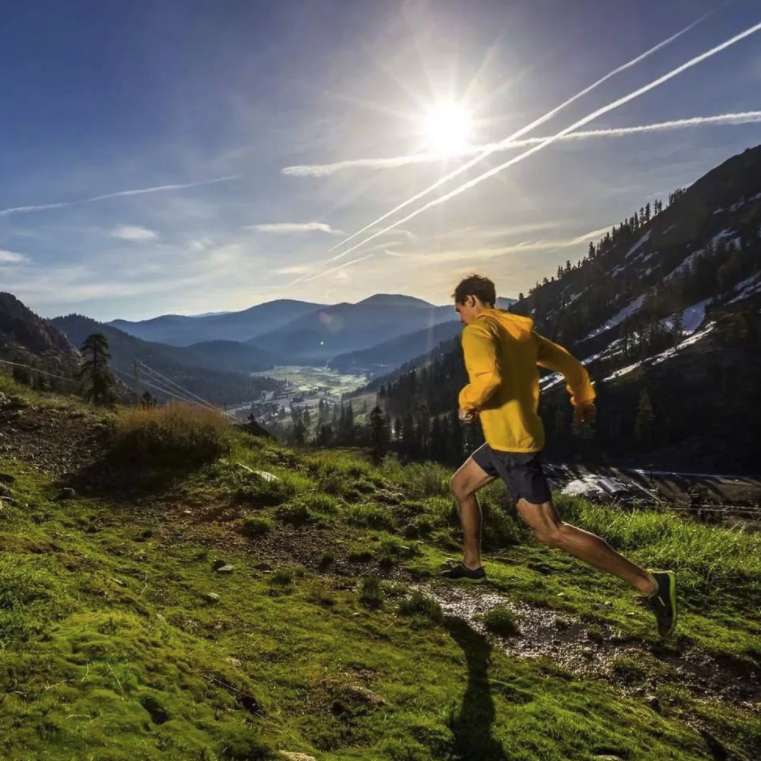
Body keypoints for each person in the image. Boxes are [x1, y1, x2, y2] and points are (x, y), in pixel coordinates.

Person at [441, 274, 677, 638]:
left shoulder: (478, 332)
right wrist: (583, 401)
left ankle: (650, 584)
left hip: (511, 445)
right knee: (460, 487)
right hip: (508, 438)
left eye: (459, 309)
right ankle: (472, 564)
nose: (460, 319)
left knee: (551, 531)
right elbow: (573, 367)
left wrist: (465, 403)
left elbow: (488, 381)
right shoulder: (522, 334)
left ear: (471, 300)